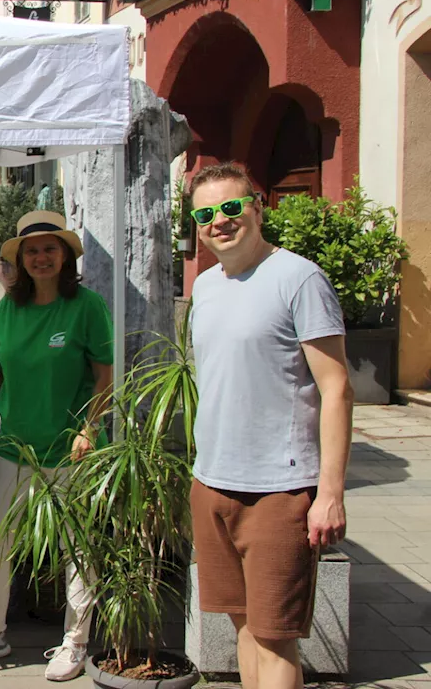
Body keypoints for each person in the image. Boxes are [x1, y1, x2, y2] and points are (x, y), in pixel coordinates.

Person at [187, 163, 352, 689]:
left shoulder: (299, 278)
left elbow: (337, 389)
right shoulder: (207, 286)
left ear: (258, 206)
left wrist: (329, 493)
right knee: (242, 626)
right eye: (207, 213)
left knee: (275, 637)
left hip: (279, 490)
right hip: (213, 482)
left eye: (232, 207)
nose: (220, 221)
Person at [0, 211, 112, 682]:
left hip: (68, 451)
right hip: (16, 447)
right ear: (19, 260)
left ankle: (75, 643)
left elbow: (105, 376)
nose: (41, 257)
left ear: (64, 256)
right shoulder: (9, 308)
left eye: (49, 249)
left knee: (76, 550)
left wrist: (90, 429)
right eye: (32, 251)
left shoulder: (86, 306)